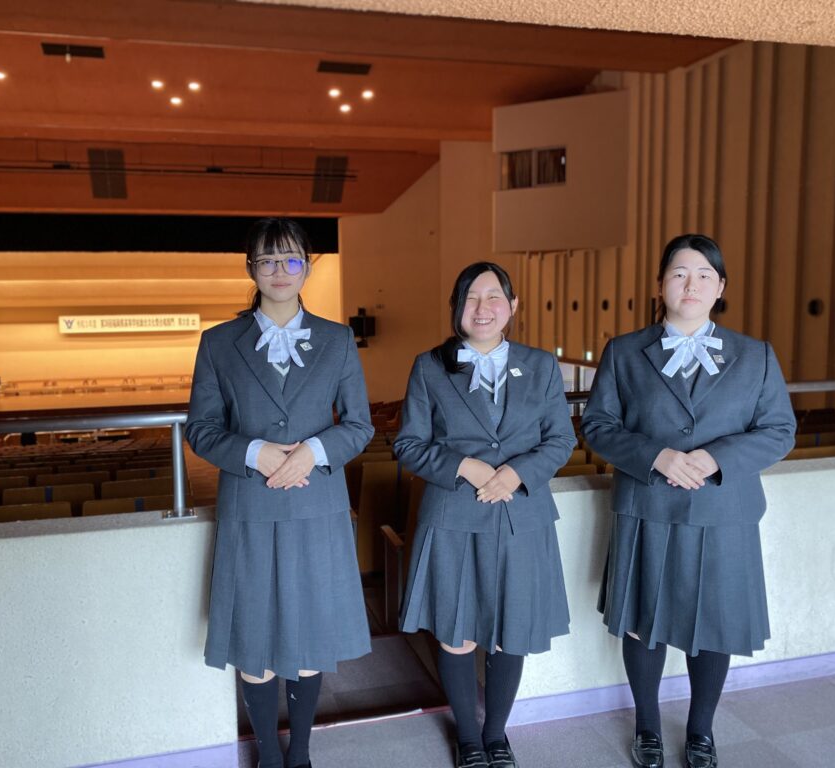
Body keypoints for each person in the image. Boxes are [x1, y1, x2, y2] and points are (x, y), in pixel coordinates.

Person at [581, 234, 796, 768]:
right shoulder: (623, 351)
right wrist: (656, 456)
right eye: (679, 273)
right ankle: (647, 726)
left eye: (704, 275)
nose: (691, 284)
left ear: (720, 287)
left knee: (714, 623)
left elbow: (779, 430)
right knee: (643, 621)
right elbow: (598, 426)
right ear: (661, 285)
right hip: (647, 506)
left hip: (723, 511)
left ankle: (701, 730)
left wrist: (716, 458)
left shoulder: (756, 355)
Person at [185, 218, 374, 768]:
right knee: (256, 640)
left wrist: (312, 451)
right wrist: (253, 452)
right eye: (267, 260)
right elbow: (201, 429)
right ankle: (269, 755)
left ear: (307, 267)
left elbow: (359, 425)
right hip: (251, 505)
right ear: (251, 269)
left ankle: (302, 754)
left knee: (309, 639)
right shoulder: (218, 343)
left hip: (317, 505)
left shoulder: (338, 340)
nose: (279, 271)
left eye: (290, 259)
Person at [394, 262, 576, 768]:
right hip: (454, 515)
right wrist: (465, 466)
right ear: (457, 307)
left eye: (494, 297)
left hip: (522, 516)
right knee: (457, 632)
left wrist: (517, 473)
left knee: (511, 630)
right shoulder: (429, 366)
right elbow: (409, 444)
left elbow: (561, 438)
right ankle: (469, 737)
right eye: (471, 297)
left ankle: (497, 735)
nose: (483, 308)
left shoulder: (541, 365)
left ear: (512, 306)